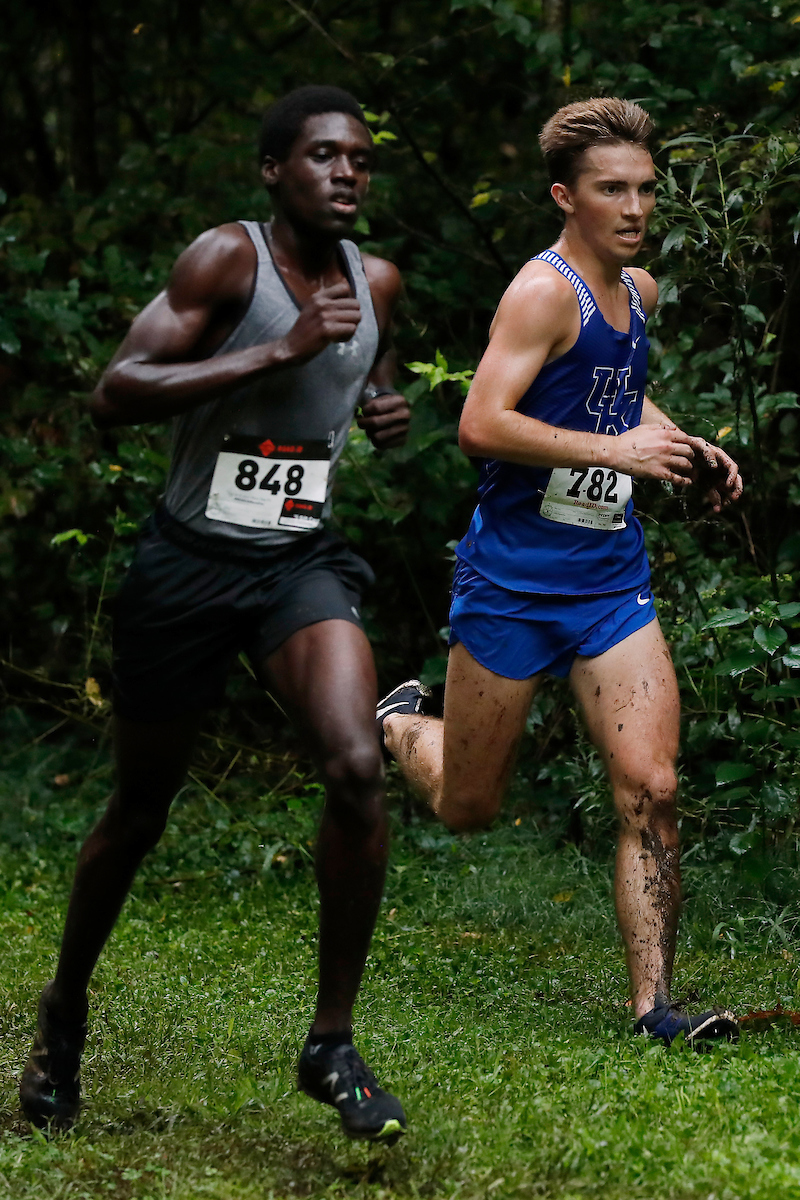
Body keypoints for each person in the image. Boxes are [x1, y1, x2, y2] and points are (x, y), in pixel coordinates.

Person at [21, 85, 410, 1141]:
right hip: (188, 563)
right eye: (324, 156)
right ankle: (63, 1013)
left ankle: (329, 1041)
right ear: (274, 170)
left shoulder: (376, 280)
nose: (346, 174)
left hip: (296, 563)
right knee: (137, 814)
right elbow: (118, 388)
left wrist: (380, 407)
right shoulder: (224, 262)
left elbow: (361, 370)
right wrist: (271, 354)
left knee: (353, 768)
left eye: (361, 161)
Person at [377, 97, 744, 1048]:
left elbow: (616, 396)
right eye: (610, 190)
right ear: (564, 197)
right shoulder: (541, 294)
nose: (633, 208)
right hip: (512, 584)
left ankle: (657, 1008)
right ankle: (396, 725)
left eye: (645, 190)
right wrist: (619, 455)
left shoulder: (640, 294)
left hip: (608, 580)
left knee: (651, 785)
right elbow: (479, 424)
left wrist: (685, 446)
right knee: (468, 806)